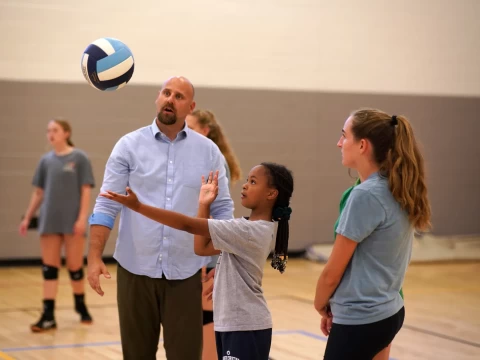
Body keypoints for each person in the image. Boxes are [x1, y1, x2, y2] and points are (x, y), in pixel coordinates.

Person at [86, 76, 234, 360]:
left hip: (186, 273)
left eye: (179, 96)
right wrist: (94, 256)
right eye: (166, 93)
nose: (170, 99)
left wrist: (221, 261)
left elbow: (223, 211)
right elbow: (106, 204)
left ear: (190, 107)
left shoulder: (208, 152)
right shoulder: (128, 146)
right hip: (134, 270)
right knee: (137, 354)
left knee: (186, 354)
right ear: (157, 98)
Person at [100, 162, 294, 360]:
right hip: (234, 323)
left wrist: (138, 207)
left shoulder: (249, 231)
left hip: (245, 325)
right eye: (247, 180)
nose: (245, 185)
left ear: (271, 194)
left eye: (253, 182)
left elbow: (187, 225)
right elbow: (201, 248)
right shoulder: (243, 226)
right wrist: (204, 204)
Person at [314, 108, 431, 359]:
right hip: (390, 311)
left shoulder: (365, 195)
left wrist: (320, 304)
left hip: (361, 318)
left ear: (362, 145)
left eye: (344, 136)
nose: (339, 143)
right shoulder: (397, 187)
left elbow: (332, 273)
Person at [19, 118, 95, 332]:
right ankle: (48, 315)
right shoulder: (45, 160)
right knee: (49, 268)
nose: (50, 134)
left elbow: (86, 190)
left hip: (73, 221)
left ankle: (81, 306)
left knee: (74, 267)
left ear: (66, 133)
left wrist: (82, 218)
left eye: (55, 130)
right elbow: (39, 192)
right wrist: (27, 217)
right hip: (49, 220)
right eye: (48, 131)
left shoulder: (79, 158)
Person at [186, 109, 242, 360]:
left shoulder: (213, 161)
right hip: (191, 250)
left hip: (207, 253)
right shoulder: (189, 157)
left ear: (205, 131)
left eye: (190, 126)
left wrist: (215, 260)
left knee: (206, 315)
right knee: (198, 318)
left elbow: (220, 218)